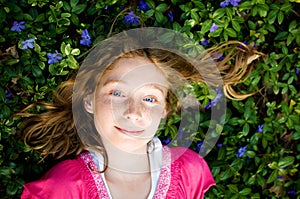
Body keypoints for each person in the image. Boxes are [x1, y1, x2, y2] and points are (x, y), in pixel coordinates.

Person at [19, 28, 262, 199]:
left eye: (149, 98)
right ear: (88, 101)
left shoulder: (189, 171)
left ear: (164, 110)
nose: (133, 112)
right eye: (117, 93)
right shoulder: (65, 187)